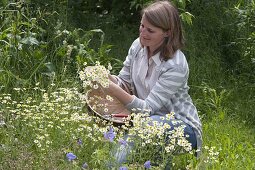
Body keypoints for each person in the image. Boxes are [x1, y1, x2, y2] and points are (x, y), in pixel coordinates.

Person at [105, 0, 202, 167]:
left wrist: (112, 89)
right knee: (147, 139)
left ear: (167, 32)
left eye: (150, 30)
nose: (143, 33)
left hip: (182, 126)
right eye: (142, 26)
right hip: (147, 120)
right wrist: (106, 78)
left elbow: (147, 109)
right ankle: (159, 162)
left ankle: (111, 166)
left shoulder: (175, 64)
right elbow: (124, 82)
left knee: (148, 126)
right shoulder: (138, 46)